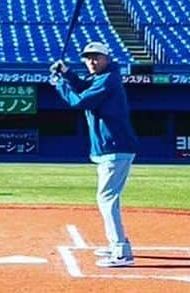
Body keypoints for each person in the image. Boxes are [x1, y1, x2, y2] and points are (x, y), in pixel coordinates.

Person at [51, 40, 138, 268]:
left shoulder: (107, 80)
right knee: (108, 198)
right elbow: (82, 86)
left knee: (107, 199)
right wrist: (67, 73)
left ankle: (121, 252)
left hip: (115, 148)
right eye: (88, 57)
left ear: (106, 58)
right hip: (111, 148)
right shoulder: (101, 77)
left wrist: (59, 84)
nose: (91, 61)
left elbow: (80, 101)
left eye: (96, 57)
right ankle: (117, 244)